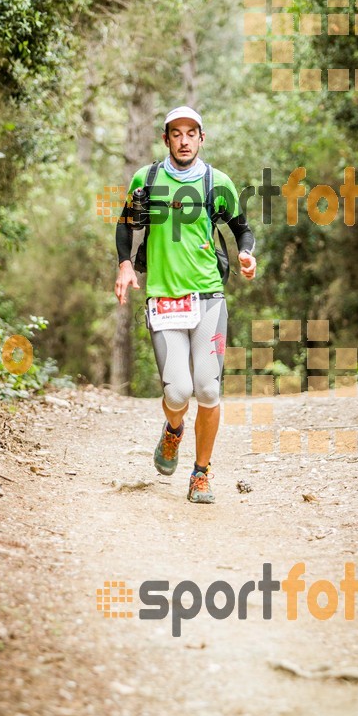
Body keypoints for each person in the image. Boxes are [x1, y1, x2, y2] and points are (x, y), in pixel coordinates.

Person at [115, 106, 256, 504]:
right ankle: (173, 430)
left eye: (190, 133)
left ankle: (201, 474)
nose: (183, 140)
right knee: (178, 393)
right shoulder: (148, 178)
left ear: (201, 138)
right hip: (163, 299)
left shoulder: (217, 182)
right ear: (166, 140)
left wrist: (247, 255)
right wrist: (125, 265)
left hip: (209, 298)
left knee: (208, 390)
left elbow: (243, 230)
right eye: (175, 133)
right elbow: (126, 226)